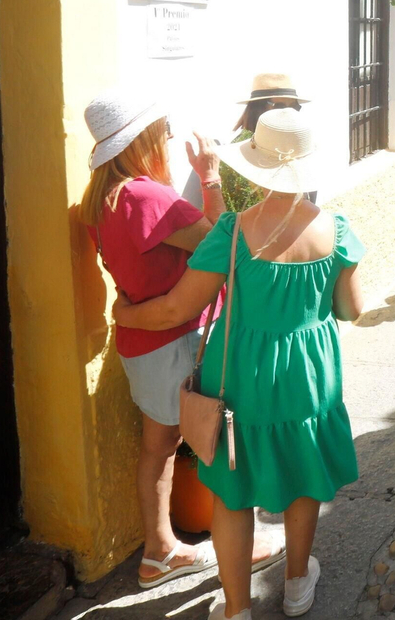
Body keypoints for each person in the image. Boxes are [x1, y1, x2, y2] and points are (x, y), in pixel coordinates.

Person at [113, 109, 361, 620]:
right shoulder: (336, 231)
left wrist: (126, 312)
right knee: (303, 474)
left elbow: (182, 307)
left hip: (240, 371)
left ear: (257, 167)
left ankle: (236, 611)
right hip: (308, 373)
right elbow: (350, 310)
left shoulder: (232, 230)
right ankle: (296, 587)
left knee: (233, 489)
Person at [80, 89, 280, 590]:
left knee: (159, 446)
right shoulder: (147, 196)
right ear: (140, 140)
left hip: (142, 344)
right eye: (161, 132)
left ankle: (158, 550)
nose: (167, 140)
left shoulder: (100, 200)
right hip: (180, 339)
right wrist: (210, 176)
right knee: (220, 437)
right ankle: (240, 540)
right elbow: (221, 239)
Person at [222, 73, 309, 213]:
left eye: (294, 107)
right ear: (258, 108)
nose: (288, 113)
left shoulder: (285, 143)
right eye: (279, 106)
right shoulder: (245, 148)